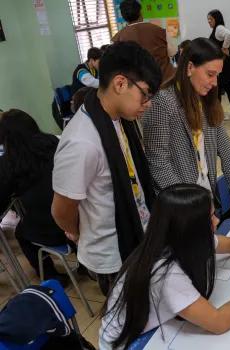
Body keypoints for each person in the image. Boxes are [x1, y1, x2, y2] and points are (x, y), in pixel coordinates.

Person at [99, 184, 230, 349]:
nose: (217, 220)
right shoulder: (167, 273)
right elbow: (218, 322)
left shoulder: (175, 239)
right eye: (211, 217)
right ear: (190, 228)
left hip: (149, 325)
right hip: (130, 343)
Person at [52, 41, 162, 295]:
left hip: (140, 235)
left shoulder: (121, 118)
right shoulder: (82, 142)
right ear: (120, 83)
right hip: (113, 254)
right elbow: (61, 210)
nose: (148, 104)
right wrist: (81, 234)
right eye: (145, 95)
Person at [143, 38, 230, 215]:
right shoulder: (163, 103)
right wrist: (191, 206)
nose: (214, 82)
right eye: (210, 74)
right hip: (180, 205)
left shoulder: (206, 99)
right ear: (190, 68)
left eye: (217, 76)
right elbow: (158, 163)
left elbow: (225, 145)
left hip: (205, 196)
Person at [0, 109, 70, 285]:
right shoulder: (52, 142)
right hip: (74, 215)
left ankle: (51, 276)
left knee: (21, 234)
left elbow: (2, 198)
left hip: (52, 226)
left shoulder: (10, 161)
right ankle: (83, 266)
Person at [113, 0, 176, 86]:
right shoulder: (158, 30)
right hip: (167, 80)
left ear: (124, 17)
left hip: (142, 89)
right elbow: (173, 51)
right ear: (140, 12)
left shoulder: (118, 39)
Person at [208, 9, 230, 120]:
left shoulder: (219, 28)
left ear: (216, 19)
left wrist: (225, 47)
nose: (209, 21)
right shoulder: (216, 29)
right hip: (222, 66)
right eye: (208, 19)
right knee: (220, 92)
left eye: (210, 19)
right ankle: (222, 114)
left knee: (228, 91)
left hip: (225, 67)